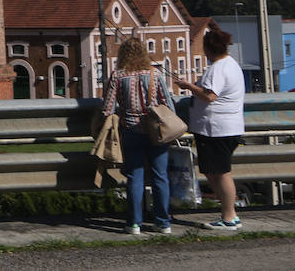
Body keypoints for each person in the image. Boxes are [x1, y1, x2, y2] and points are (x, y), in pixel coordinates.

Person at [102, 36, 175, 234]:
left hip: (130, 129)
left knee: (135, 177)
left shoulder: (118, 76)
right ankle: (163, 222)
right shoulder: (155, 74)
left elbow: (107, 108)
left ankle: (134, 223)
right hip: (156, 131)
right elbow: (168, 105)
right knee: (160, 176)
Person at [175, 27, 245, 231]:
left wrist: (188, 86)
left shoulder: (218, 69)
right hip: (226, 127)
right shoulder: (230, 64)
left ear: (209, 48)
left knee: (221, 173)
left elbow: (209, 95)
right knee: (216, 172)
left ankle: (229, 216)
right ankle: (229, 213)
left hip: (215, 129)